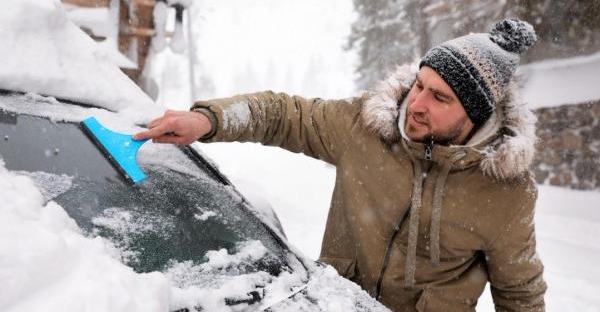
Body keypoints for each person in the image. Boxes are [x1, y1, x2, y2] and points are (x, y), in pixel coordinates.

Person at [134, 18, 546, 311]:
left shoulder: (505, 189)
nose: (416, 105)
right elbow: (282, 114)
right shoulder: (367, 126)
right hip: (334, 305)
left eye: (440, 98)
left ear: (476, 114)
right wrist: (209, 119)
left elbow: (520, 293)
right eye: (419, 85)